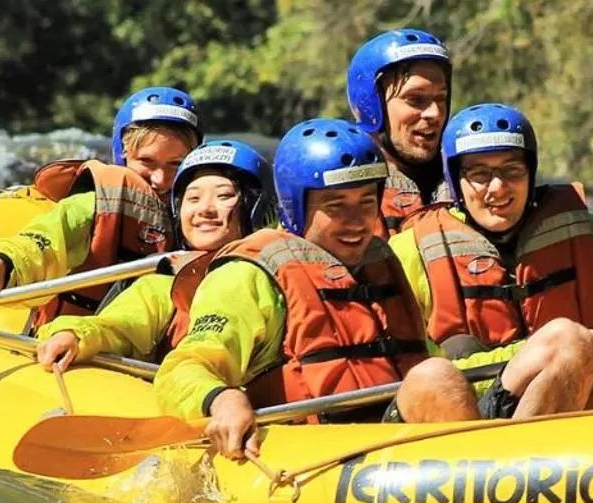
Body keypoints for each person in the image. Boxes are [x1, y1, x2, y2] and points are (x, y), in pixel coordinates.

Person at [152, 118, 478, 458]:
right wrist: (222, 399)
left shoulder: (378, 266)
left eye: (367, 204)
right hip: (310, 457)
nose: (356, 223)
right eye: (336, 207)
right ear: (295, 206)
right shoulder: (248, 275)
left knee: (533, 357)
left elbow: (428, 362)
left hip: (390, 443)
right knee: (435, 377)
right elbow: (182, 369)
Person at [388, 103, 593, 420]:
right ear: (457, 182)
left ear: (530, 173)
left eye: (513, 171)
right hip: (456, 416)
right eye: (480, 174)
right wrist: (538, 354)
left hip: (567, 409)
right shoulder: (410, 253)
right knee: (564, 341)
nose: (498, 187)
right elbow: (405, 370)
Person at [0, 86, 198, 318]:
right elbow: (27, 252)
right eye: (147, 162)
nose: (161, 180)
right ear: (123, 154)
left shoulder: (209, 213)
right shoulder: (96, 204)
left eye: (176, 164)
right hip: (75, 349)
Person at [33, 139, 269, 367]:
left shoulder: (280, 273)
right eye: (193, 198)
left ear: (255, 207)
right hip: (198, 394)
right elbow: (120, 325)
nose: (205, 209)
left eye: (224, 196)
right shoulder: (162, 284)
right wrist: (77, 335)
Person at [347, 28, 453, 232]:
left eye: (440, 98)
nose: (435, 113)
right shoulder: (341, 197)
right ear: (371, 107)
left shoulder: (472, 183)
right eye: (415, 99)